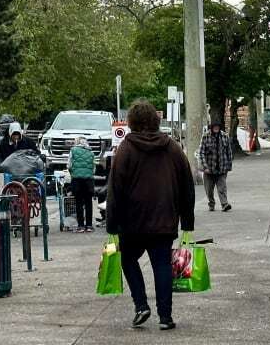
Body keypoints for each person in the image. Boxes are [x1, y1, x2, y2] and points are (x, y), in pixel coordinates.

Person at [106, 99, 195, 331]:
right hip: (164, 219)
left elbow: (115, 188)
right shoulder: (172, 147)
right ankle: (165, 317)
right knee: (162, 265)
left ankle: (141, 305)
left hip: (132, 221)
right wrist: (187, 220)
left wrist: (112, 224)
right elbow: (187, 184)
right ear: (156, 121)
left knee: (128, 259)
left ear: (132, 122)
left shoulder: (126, 149)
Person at [198, 122, 233, 212]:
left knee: (222, 188)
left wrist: (229, 165)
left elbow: (229, 152)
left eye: (218, 127)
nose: (216, 128)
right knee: (209, 190)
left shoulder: (225, 136)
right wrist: (205, 167)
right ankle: (211, 203)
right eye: (215, 127)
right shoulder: (205, 137)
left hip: (222, 168)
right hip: (209, 169)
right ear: (211, 128)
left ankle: (224, 204)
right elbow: (201, 153)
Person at [68, 136, 95, 233]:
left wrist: (73, 173)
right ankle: (89, 225)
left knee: (79, 202)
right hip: (89, 180)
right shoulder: (91, 152)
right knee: (88, 202)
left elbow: (69, 165)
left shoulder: (73, 150)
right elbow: (93, 167)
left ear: (77, 142)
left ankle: (80, 226)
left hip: (77, 180)